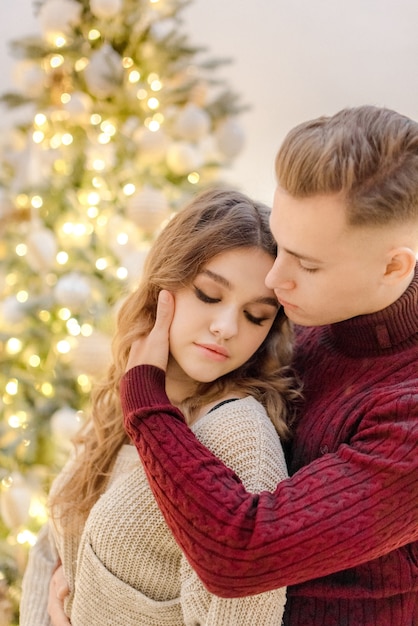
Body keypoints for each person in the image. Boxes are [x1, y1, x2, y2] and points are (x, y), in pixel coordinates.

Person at [120, 105, 418, 626]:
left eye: (307, 263)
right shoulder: (310, 311)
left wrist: (146, 403)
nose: (276, 281)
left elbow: (243, 554)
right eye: (281, 245)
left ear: (393, 267)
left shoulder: (407, 413)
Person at [20, 188, 303, 626]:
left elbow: (244, 614)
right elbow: (47, 549)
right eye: (209, 294)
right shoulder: (128, 396)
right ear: (161, 285)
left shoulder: (239, 436)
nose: (226, 327)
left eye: (255, 316)